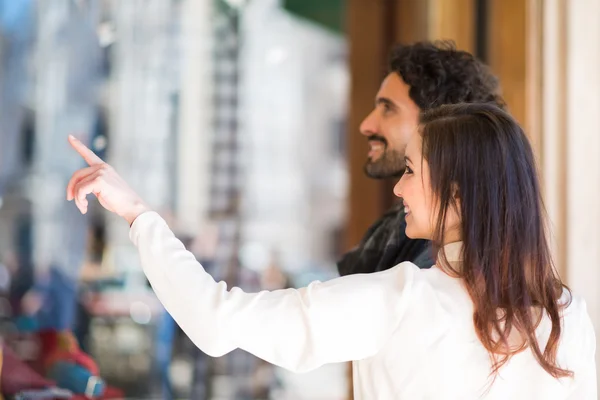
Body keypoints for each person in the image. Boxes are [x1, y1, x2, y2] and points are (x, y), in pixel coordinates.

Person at [65, 103, 596, 399]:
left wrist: (136, 213)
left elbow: (215, 320)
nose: (397, 188)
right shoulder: (568, 318)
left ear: (457, 194)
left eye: (410, 171)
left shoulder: (402, 300)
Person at [338, 40, 504, 276]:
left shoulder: (440, 250)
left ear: (440, 120)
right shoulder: (403, 224)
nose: (366, 125)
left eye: (388, 109)